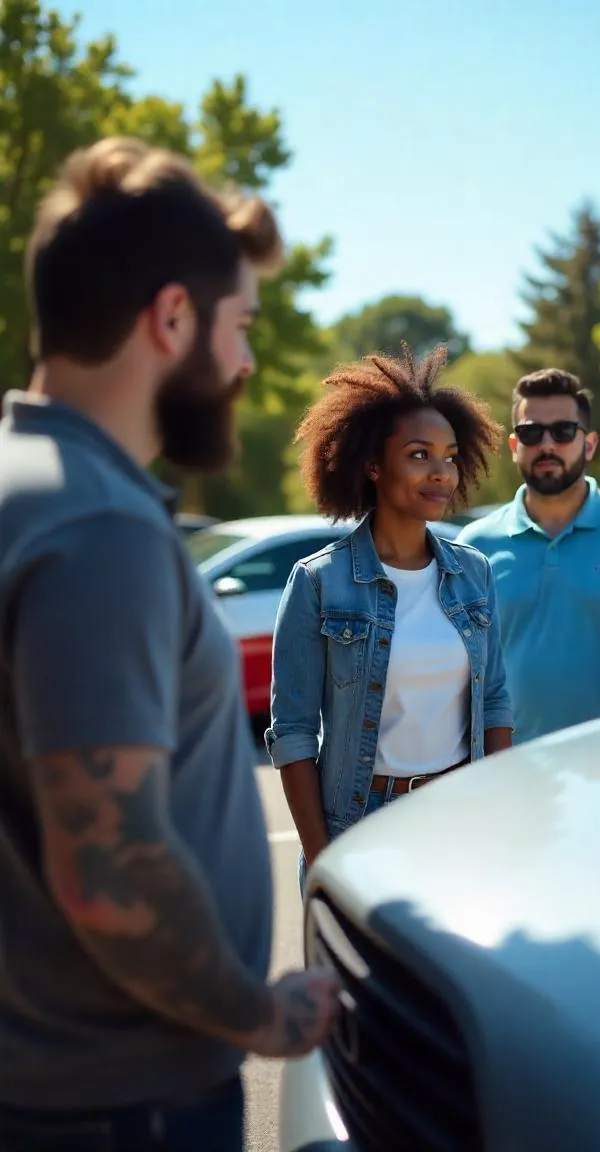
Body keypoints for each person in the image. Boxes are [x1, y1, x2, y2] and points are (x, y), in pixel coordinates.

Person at [0, 137, 340, 1150]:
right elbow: (112, 866)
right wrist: (258, 1015)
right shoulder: (98, 526)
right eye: (239, 326)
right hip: (117, 1108)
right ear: (173, 317)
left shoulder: (24, 483)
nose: (242, 363)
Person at [265, 344, 513, 891]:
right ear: (374, 464)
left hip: (457, 814)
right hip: (359, 821)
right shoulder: (317, 582)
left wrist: (494, 812)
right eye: (419, 454)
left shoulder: (474, 574)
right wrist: (321, 857)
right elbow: (294, 734)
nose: (441, 472)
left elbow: (494, 700)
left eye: (449, 456)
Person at [456, 368, 600, 744]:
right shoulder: (474, 545)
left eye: (563, 432)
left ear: (589, 444)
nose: (547, 445)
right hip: (502, 776)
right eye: (531, 433)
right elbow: (458, 672)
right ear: (515, 447)